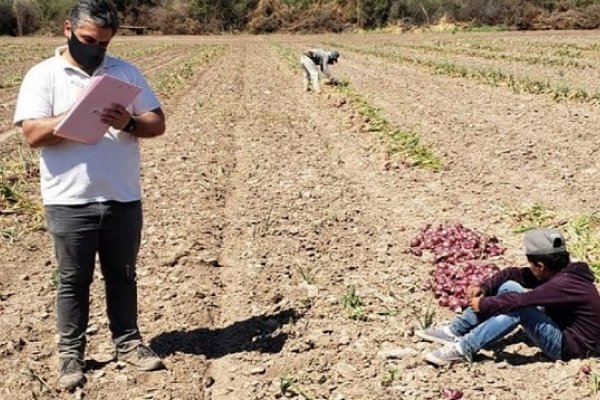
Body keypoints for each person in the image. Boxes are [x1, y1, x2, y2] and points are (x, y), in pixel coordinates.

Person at [13, 0, 166, 390]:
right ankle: (70, 355)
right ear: (68, 29)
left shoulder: (124, 72)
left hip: (122, 195)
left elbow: (156, 121)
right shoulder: (43, 76)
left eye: (104, 43)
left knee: (123, 275)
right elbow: (32, 134)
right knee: (71, 280)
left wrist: (128, 121)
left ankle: (128, 342)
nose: (96, 49)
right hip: (68, 200)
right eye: (88, 40)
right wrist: (78, 114)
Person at [416, 228, 600, 366]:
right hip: (560, 327)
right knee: (509, 286)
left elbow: (521, 301)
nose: (530, 267)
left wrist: (485, 304)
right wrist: (485, 287)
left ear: (541, 265)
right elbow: (513, 274)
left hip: (569, 348)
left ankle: (464, 348)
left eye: (531, 264)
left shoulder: (564, 284)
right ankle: (454, 331)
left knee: (520, 310)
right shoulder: (560, 271)